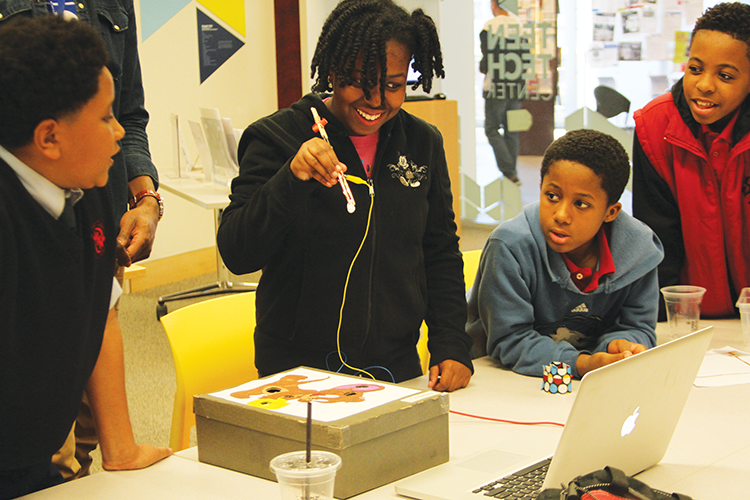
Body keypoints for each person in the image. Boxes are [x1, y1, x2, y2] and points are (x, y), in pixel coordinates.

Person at [216, 0, 473, 392]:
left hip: (397, 367)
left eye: (392, 85)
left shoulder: (422, 142)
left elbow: (438, 251)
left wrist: (451, 343)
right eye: (359, 81)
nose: (375, 100)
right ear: (332, 71)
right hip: (297, 370)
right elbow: (237, 252)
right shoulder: (277, 138)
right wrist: (293, 177)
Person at [0, 16, 170, 499]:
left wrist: (121, 448)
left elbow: (102, 311)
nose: (120, 131)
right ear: (49, 137)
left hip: (30, 459)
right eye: (104, 117)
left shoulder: (87, 185)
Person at [466, 129, 664, 378]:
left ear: (610, 212)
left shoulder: (639, 250)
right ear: (540, 188)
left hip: (585, 383)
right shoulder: (509, 246)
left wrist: (620, 345)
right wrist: (582, 364)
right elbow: (510, 340)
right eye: (552, 196)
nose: (560, 215)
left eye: (581, 204)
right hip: (498, 379)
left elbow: (638, 327)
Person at [632, 2, 750, 319]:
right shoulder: (654, 127)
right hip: (688, 317)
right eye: (695, 69)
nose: (704, 84)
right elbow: (656, 243)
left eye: (725, 75)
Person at [479, 0, 525, 185]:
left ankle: (509, 172)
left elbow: (487, 60)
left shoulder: (490, 26)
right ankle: (512, 174)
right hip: (517, 85)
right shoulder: (520, 26)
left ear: (494, 4)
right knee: (511, 130)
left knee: (491, 129)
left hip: (496, 86)